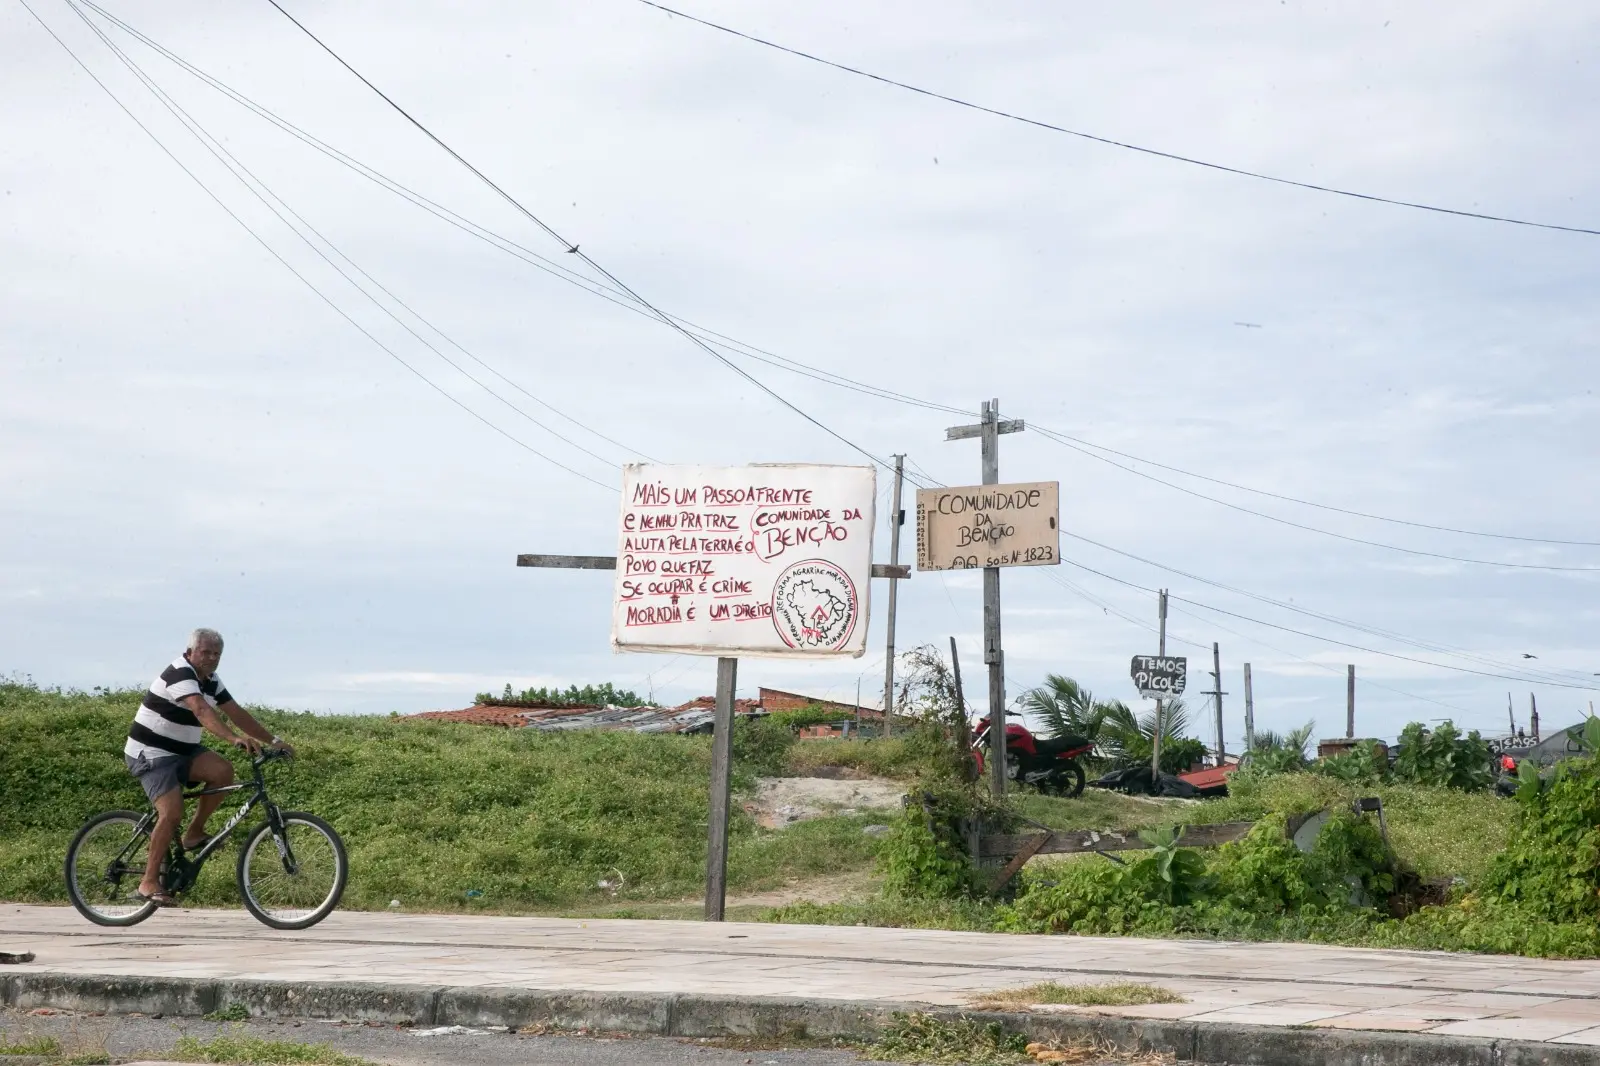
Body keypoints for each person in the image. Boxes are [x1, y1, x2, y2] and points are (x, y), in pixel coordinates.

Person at [124, 628, 290, 905]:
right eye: (206, 652)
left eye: (217, 654)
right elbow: (201, 710)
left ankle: (193, 834)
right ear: (190, 652)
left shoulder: (212, 680)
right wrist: (233, 738)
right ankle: (148, 881)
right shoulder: (179, 672)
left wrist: (274, 741)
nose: (211, 658)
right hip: (151, 753)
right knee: (172, 812)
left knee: (223, 772)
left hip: (183, 751)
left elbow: (236, 712)